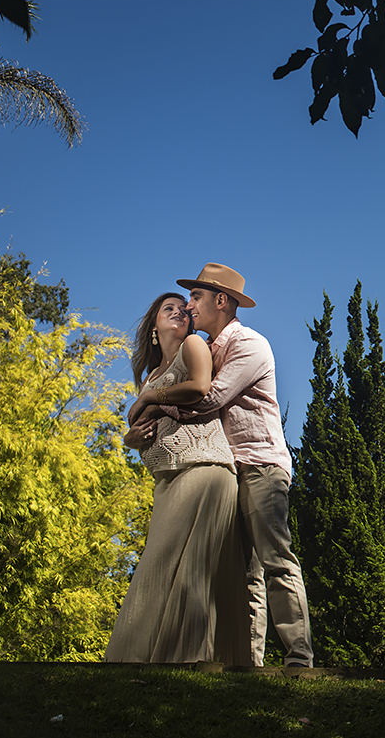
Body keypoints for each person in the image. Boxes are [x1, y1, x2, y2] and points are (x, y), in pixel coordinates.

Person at [132, 263, 313, 667]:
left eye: (196, 297)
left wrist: (152, 401)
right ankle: (251, 662)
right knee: (245, 574)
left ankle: (299, 657)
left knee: (275, 558)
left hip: (261, 463)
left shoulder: (250, 344)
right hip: (229, 468)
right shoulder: (206, 348)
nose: (190, 306)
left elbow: (210, 400)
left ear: (220, 300)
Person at [107, 293, 249, 665]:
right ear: (153, 327)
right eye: (167, 308)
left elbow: (201, 387)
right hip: (168, 480)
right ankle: (155, 659)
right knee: (164, 568)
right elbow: (145, 428)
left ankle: (182, 659)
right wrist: (131, 439)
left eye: (183, 308)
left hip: (203, 470)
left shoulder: (193, 346)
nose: (179, 312)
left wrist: (152, 397)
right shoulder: (151, 377)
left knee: (187, 571)